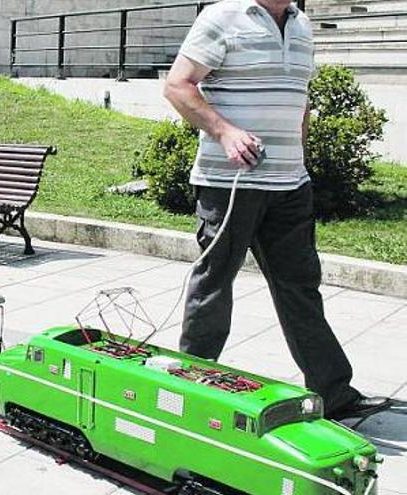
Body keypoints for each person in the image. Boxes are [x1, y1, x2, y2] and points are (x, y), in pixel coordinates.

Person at [164, 0, 390, 420]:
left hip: (290, 184)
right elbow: (178, 85)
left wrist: (300, 157)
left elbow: (299, 98)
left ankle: (333, 392)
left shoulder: (302, 26)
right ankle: (190, 388)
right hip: (229, 184)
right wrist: (225, 131)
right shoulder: (221, 17)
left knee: (301, 287)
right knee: (214, 285)